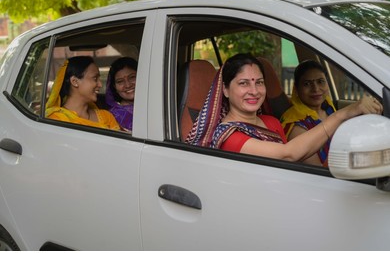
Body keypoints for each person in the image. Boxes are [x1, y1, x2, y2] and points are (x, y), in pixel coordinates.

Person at [186, 53, 383, 164]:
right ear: (226, 90)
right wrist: (344, 114)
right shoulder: (230, 136)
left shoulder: (270, 121)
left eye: (259, 82)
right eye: (244, 83)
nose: (254, 91)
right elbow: (288, 154)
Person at [280, 60, 336, 166]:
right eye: (307, 84)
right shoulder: (294, 124)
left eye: (320, 81)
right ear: (296, 89)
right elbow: (317, 170)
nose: (315, 89)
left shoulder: (328, 108)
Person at [46, 56, 120, 130]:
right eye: (95, 78)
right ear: (75, 81)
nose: (100, 84)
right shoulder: (56, 120)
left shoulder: (106, 117)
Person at [105, 57, 138, 132]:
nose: (128, 85)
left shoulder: (157, 103)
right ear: (114, 87)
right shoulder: (113, 116)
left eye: (132, 77)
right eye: (120, 81)